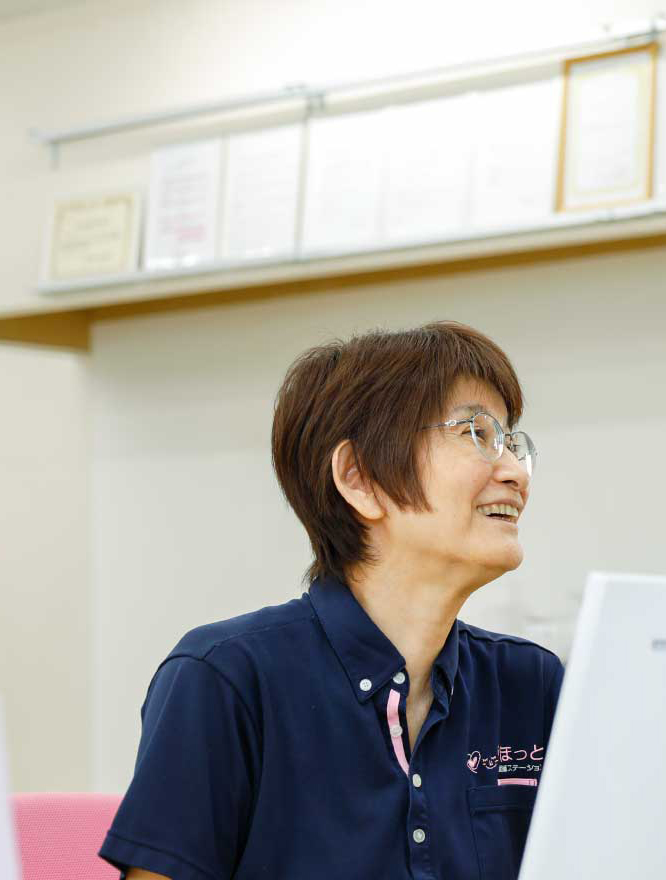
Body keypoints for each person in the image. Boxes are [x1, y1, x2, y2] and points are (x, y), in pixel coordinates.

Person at [100, 322, 559, 880]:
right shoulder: (224, 678)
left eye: (511, 443)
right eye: (475, 433)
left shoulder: (530, 684)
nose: (513, 473)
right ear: (359, 478)